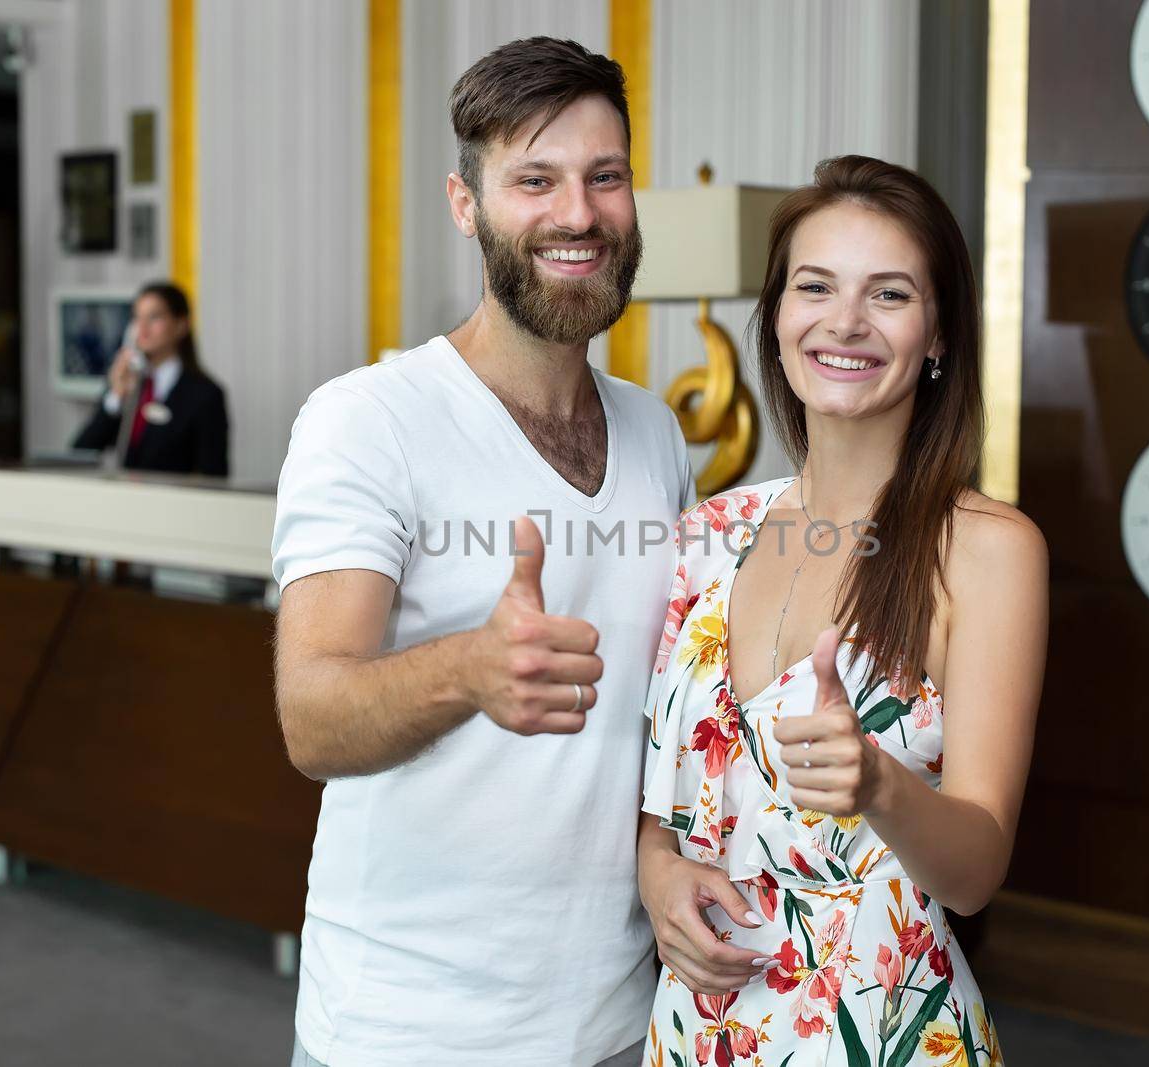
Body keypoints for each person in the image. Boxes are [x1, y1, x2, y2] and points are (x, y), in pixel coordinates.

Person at [270, 38, 691, 1067]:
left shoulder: (657, 434)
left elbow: (658, 720)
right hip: (405, 1031)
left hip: (613, 1023)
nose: (578, 214)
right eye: (533, 180)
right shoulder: (367, 418)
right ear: (466, 203)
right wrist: (468, 667)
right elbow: (311, 718)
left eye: (605, 177)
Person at [638, 156, 1048, 1066]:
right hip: (699, 1030)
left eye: (890, 294)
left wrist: (881, 784)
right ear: (778, 315)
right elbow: (663, 810)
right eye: (814, 285)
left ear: (938, 333)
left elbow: (976, 873)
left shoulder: (987, 550)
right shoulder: (706, 534)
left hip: (884, 1033)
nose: (845, 321)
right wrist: (658, 871)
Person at [71, 280, 229, 477]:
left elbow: (214, 474)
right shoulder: (128, 382)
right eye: (137, 318)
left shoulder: (205, 394)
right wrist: (116, 398)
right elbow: (81, 451)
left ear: (180, 325)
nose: (142, 328)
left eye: (154, 317)